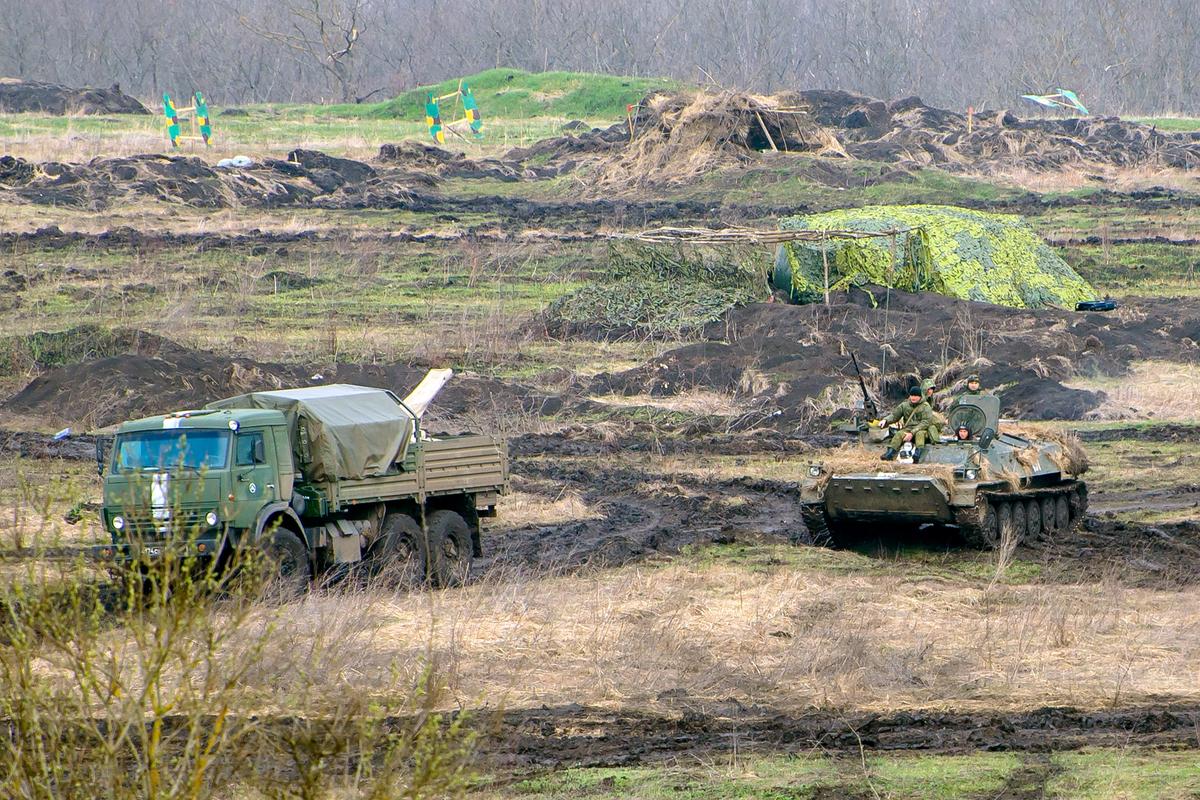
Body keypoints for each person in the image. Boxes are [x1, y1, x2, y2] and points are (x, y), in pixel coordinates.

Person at [878, 386, 934, 461]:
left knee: (919, 434)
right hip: (908, 429)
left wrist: (912, 433)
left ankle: (917, 454)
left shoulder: (925, 407)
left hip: (921, 429)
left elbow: (926, 422)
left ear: (920, 396)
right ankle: (890, 453)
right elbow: (895, 416)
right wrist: (885, 420)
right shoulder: (904, 405)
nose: (913, 398)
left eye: (916, 396)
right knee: (898, 434)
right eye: (912, 395)